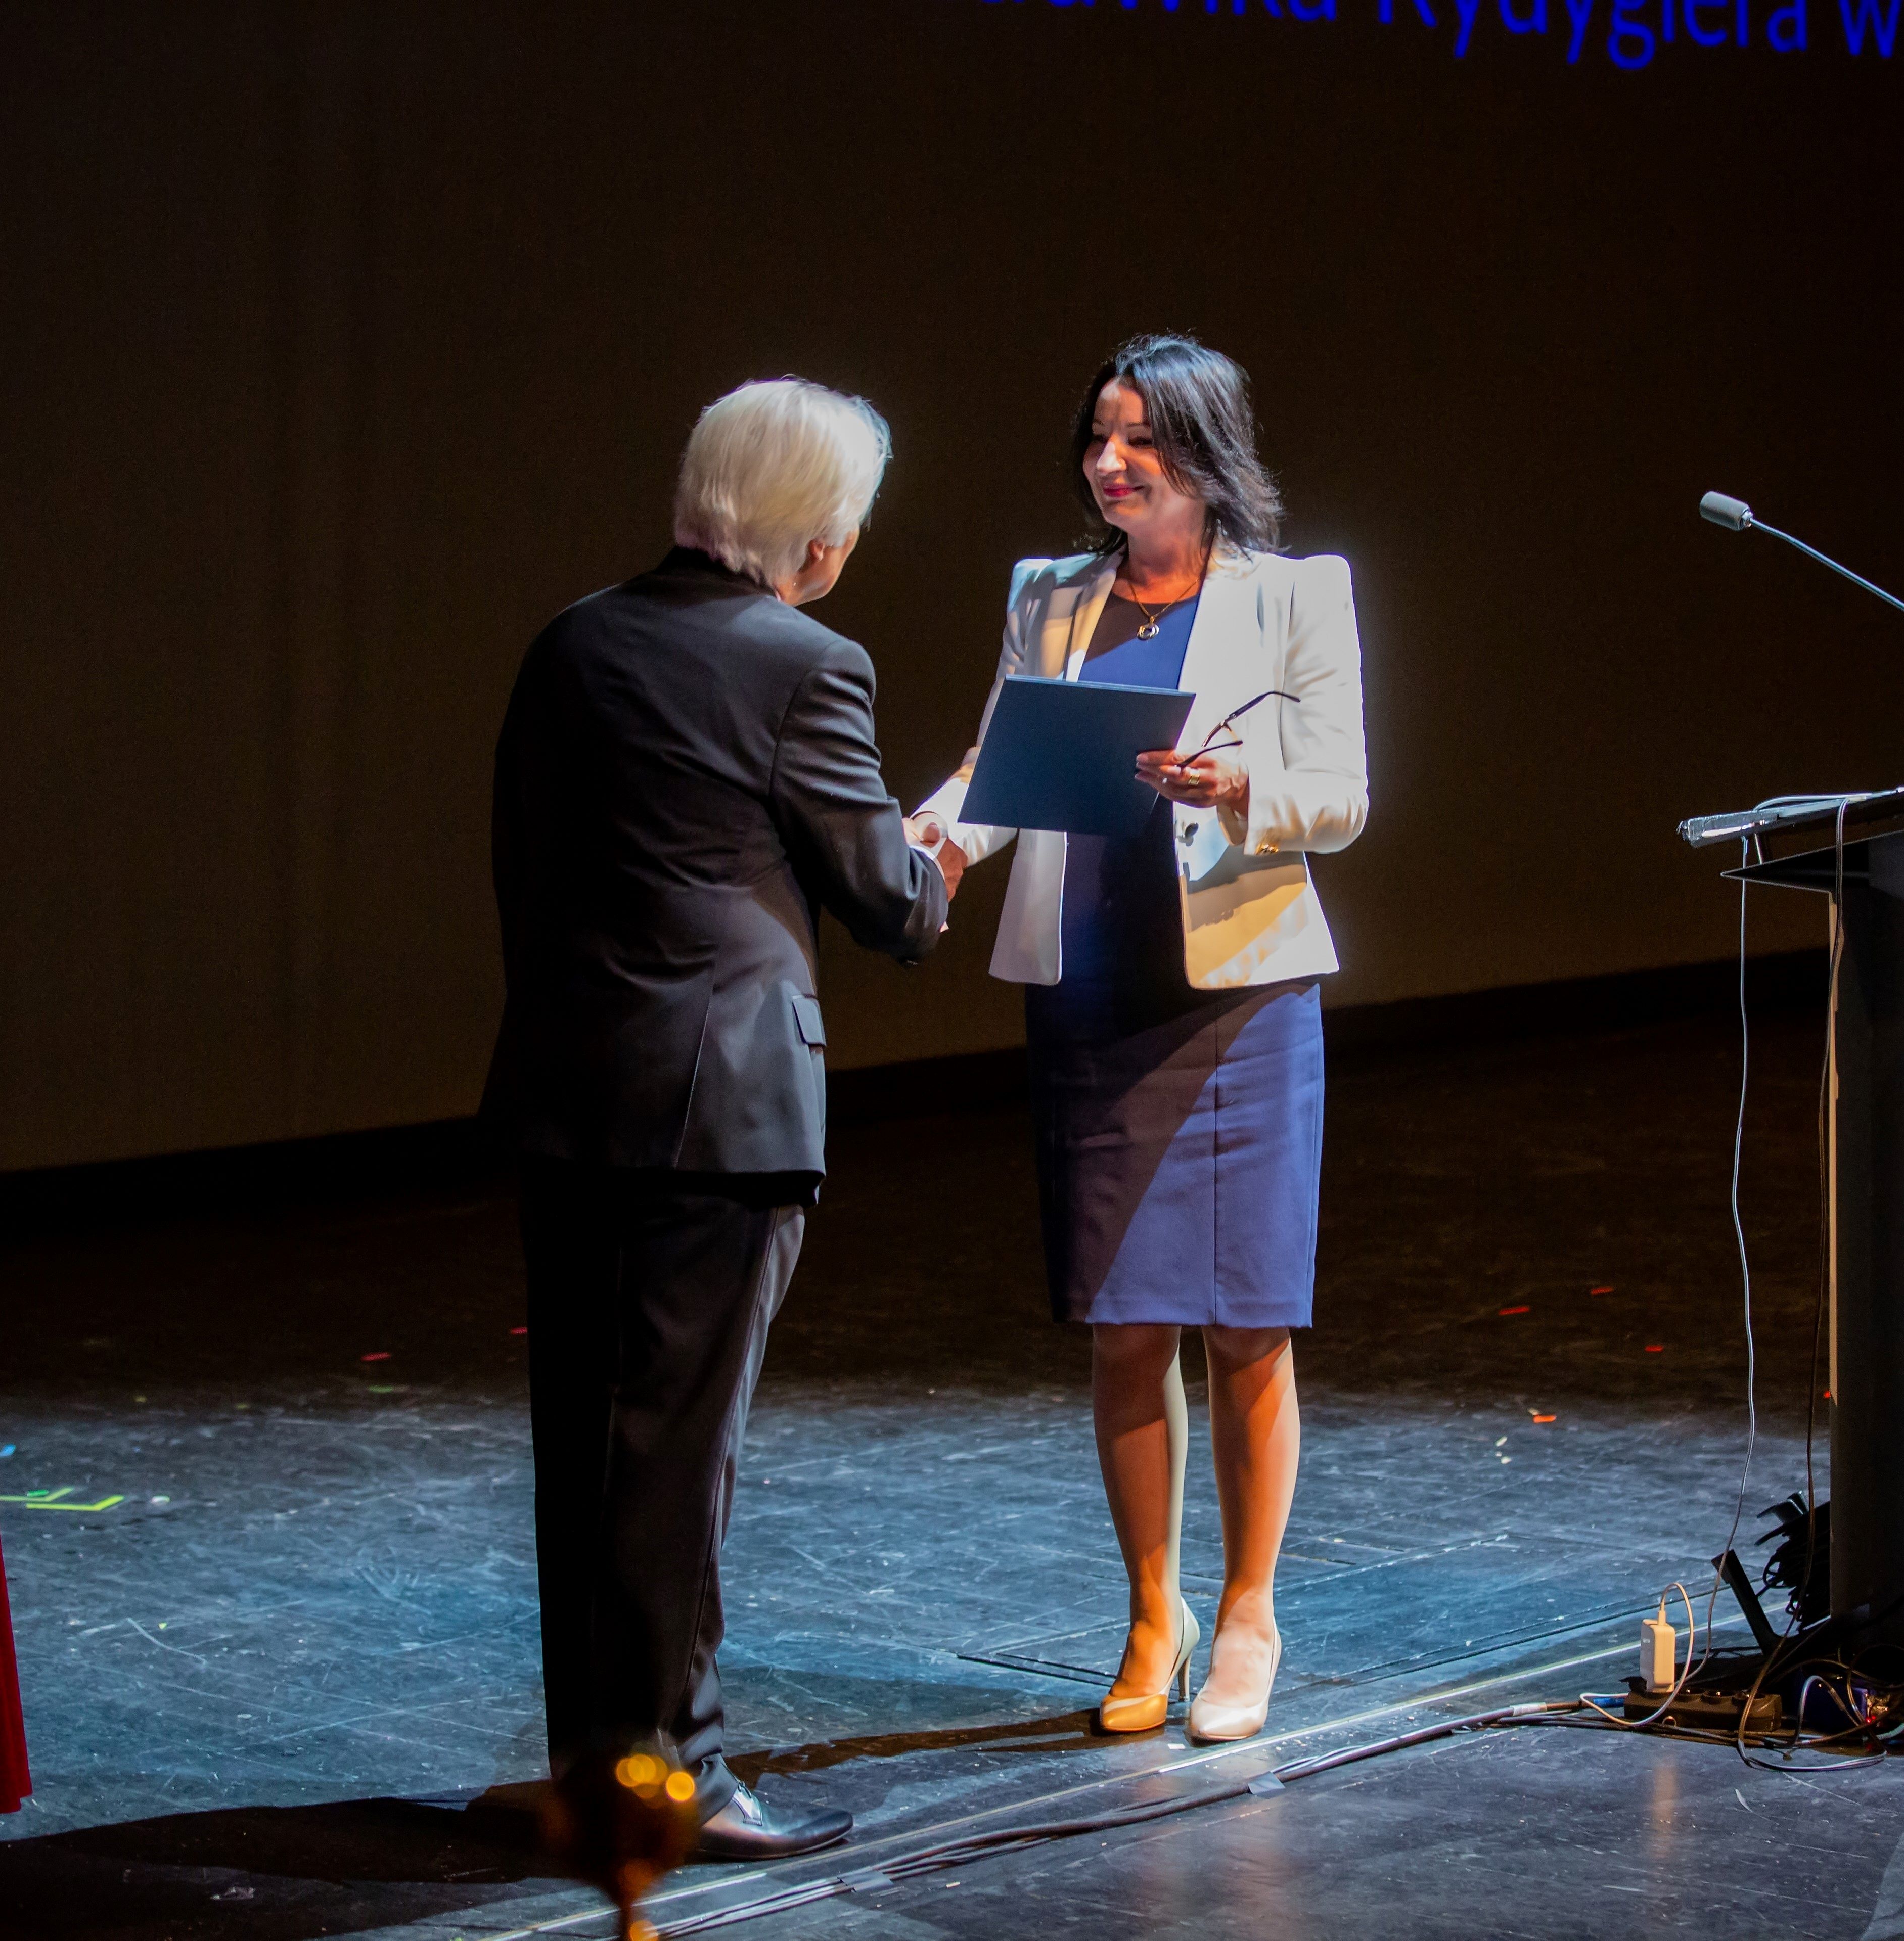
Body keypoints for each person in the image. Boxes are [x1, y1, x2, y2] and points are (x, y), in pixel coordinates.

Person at [483, 378, 958, 1859]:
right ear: (814, 538)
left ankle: (592, 1765)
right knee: (677, 1456)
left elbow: (524, 862)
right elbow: (888, 903)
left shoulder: (573, 641)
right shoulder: (808, 663)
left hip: (572, 1087)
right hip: (722, 1108)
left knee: (585, 1442)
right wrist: (941, 851)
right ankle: (674, 1771)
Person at [910, 334, 1368, 1744]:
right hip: (1094, 989)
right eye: (1100, 438)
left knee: (1248, 1323)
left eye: (1140, 439)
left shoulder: (1294, 595)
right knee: (1124, 1326)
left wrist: (1235, 786)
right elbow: (1000, 763)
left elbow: (1343, 796)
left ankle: (1248, 1616)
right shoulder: (1047, 594)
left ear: (1205, 454)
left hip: (1240, 998)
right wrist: (945, 837)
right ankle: (1151, 1615)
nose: (1110, 464)